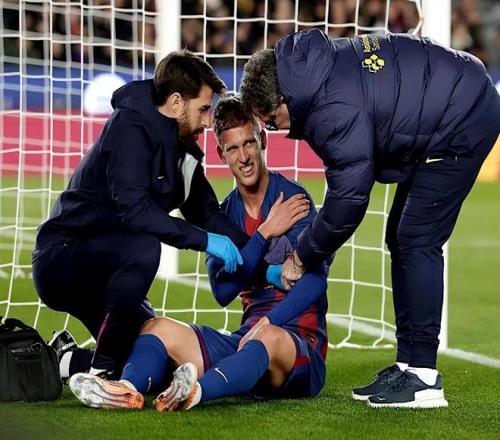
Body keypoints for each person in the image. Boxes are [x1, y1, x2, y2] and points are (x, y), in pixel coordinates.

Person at [239, 29, 500, 408]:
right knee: (400, 237)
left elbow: (349, 201)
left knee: (417, 239)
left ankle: (424, 377)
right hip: (447, 101)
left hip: (463, 115)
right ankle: (409, 364)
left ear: (283, 100)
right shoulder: (312, 70)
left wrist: (301, 257)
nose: (273, 128)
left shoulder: (329, 109)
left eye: (269, 120)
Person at [68, 96, 329, 411]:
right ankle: (126, 390)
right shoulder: (224, 215)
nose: (244, 157)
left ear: (262, 140)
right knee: (156, 328)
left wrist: (268, 321)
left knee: (269, 337)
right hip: (247, 340)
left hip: (298, 344)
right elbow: (222, 291)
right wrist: (263, 235)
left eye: (249, 143)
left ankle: (194, 393)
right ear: (221, 154)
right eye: (232, 148)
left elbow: (315, 280)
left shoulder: (293, 200)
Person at [32, 50, 250, 379]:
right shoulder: (128, 128)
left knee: (155, 352)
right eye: (203, 109)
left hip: (109, 269)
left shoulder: (181, 146)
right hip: (64, 258)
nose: (208, 121)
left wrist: (264, 256)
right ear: (175, 102)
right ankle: (103, 369)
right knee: (146, 245)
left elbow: (206, 212)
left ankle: (67, 360)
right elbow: (136, 212)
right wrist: (207, 242)